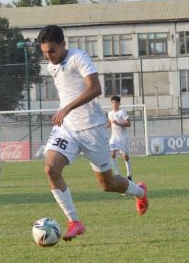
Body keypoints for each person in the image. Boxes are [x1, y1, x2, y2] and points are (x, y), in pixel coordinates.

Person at [37, 25, 148, 242]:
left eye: (52, 51)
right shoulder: (52, 66)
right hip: (66, 128)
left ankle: (140, 192)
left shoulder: (79, 58)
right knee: (50, 168)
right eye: (44, 53)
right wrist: (66, 112)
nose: (48, 57)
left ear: (63, 45)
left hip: (91, 129)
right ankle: (74, 222)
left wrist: (67, 107)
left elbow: (96, 88)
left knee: (107, 184)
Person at [106, 96, 132, 180]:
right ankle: (117, 174)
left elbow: (129, 124)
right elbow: (109, 124)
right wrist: (101, 127)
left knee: (125, 156)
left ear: (119, 103)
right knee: (112, 155)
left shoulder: (122, 112)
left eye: (116, 102)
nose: (114, 104)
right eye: (112, 102)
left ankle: (129, 174)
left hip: (123, 137)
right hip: (114, 138)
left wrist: (119, 124)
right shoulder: (109, 113)